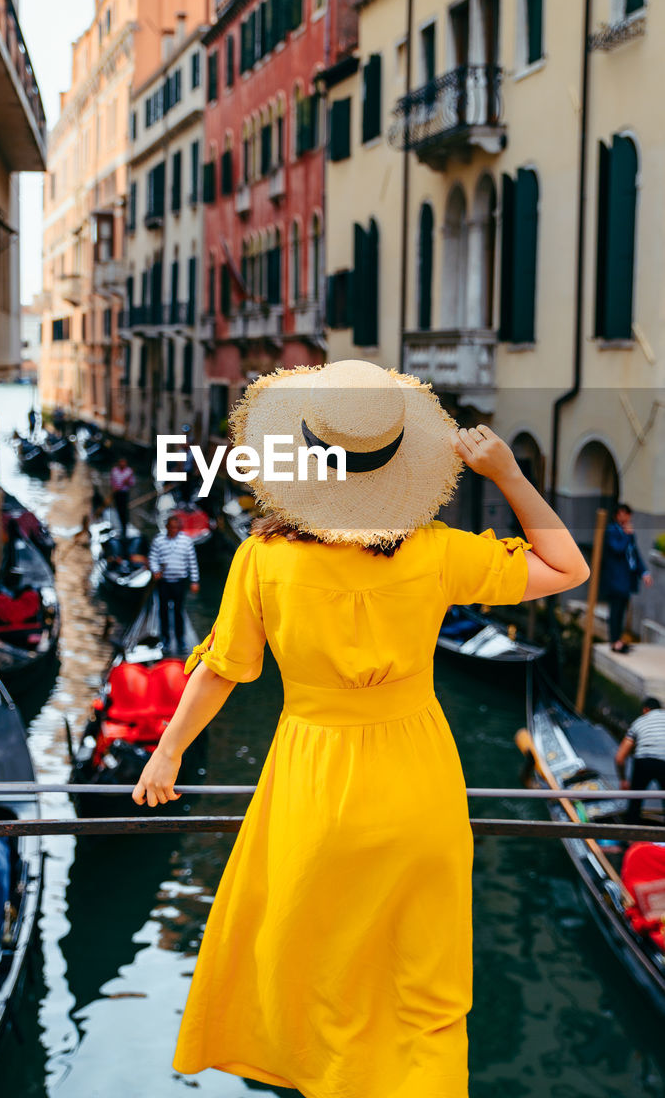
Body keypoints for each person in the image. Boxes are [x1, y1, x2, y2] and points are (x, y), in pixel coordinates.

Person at [131, 359, 589, 1098]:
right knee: (422, 975)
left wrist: (167, 751)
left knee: (319, 966)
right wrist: (504, 471)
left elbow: (220, 670)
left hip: (313, 779)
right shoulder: (438, 552)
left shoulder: (260, 560)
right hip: (417, 777)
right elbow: (566, 567)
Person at [602, 503, 652, 652]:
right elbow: (617, 549)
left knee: (622, 609)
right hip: (615, 578)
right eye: (624, 514)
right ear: (618, 515)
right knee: (615, 610)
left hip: (626, 579)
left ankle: (618, 639)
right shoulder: (612, 531)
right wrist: (627, 536)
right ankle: (613, 640)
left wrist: (644, 573)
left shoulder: (628, 533)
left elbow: (634, 555)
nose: (627, 517)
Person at [149, 513, 199, 652]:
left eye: (176, 528)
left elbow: (192, 562)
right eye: (171, 527)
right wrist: (156, 570)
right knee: (163, 611)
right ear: (166, 527)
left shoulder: (187, 541)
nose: (174, 530)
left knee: (178, 611)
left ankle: (180, 640)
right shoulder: (159, 540)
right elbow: (153, 558)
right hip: (164, 582)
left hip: (179, 582)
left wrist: (194, 580)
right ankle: (165, 640)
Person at [616, 696, 665, 823]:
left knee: (635, 801)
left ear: (645, 710)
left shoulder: (639, 722)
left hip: (643, 762)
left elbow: (620, 757)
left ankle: (630, 836)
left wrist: (623, 780)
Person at [110, 456, 136, 534]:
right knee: (118, 509)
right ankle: (119, 525)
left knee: (124, 510)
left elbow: (132, 483)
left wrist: (127, 482)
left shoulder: (129, 471)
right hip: (116, 493)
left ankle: (124, 527)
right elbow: (112, 481)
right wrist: (114, 488)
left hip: (124, 493)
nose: (122, 464)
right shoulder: (114, 471)